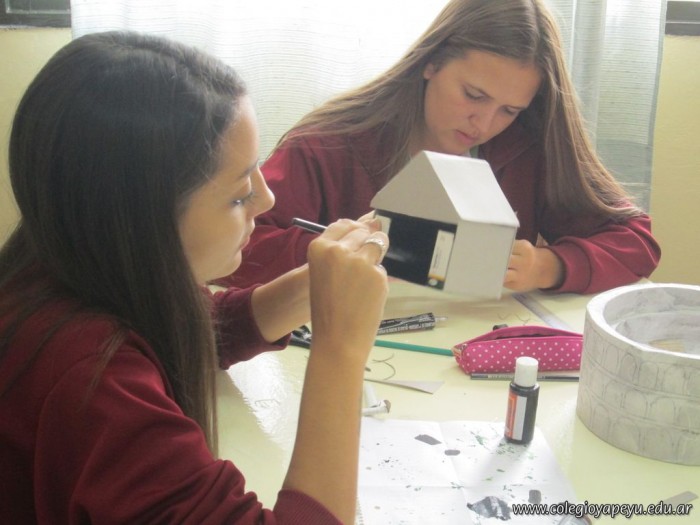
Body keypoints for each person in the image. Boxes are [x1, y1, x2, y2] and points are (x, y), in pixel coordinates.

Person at [0, 31, 389, 524]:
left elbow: (196, 324)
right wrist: (340, 349)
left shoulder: (58, 269)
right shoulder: (95, 386)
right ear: (142, 219)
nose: (266, 200)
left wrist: (311, 285)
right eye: (238, 193)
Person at [224, 0, 661, 295]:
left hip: (471, 355)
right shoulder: (330, 144)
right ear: (431, 62)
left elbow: (635, 240)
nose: (484, 124)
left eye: (509, 110)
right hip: (346, 348)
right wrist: (335, 255)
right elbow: (233, 247)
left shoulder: (525, 149)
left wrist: (549, 266)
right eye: (473, 95)